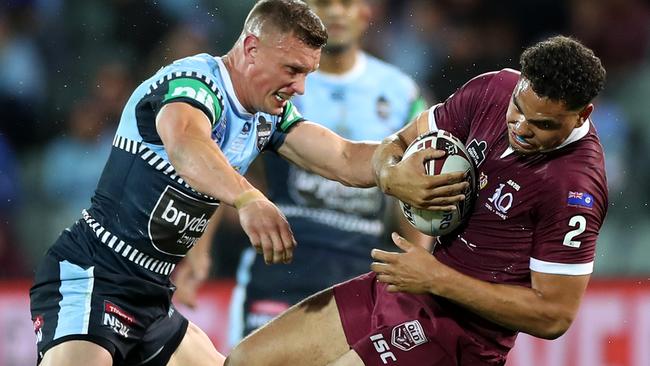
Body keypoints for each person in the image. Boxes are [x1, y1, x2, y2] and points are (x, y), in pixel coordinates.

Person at [28, 1, 466, 365]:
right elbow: (185, 142)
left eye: (309, 73)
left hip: (151, 298)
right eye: (292, 69)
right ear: (251, 48)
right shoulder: (194, 82)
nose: (300, 86)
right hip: (92, 276)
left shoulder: (264, 115)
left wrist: (395, 165)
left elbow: (343, 157)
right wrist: (248, 197)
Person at [225, 35, 608, 366]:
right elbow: (400, 141)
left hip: (459, 335)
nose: (521, 128)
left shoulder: (575, 187)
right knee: (247, 359)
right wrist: (392, 174)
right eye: (519, 110)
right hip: (406, 288)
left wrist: (439, 278)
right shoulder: (493, 89)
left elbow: (553, 316)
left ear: (581, 115)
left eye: (542, 125)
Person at [173, 0, 428, 342]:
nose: (336, 13)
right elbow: (224, 161)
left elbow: (411, 190)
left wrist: (421, 261)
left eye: (346, 4)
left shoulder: (403, 93)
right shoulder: (272, 81)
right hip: (281, 260)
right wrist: (199, 252)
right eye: (324, 3)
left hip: (361, 266)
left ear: (365, 15)